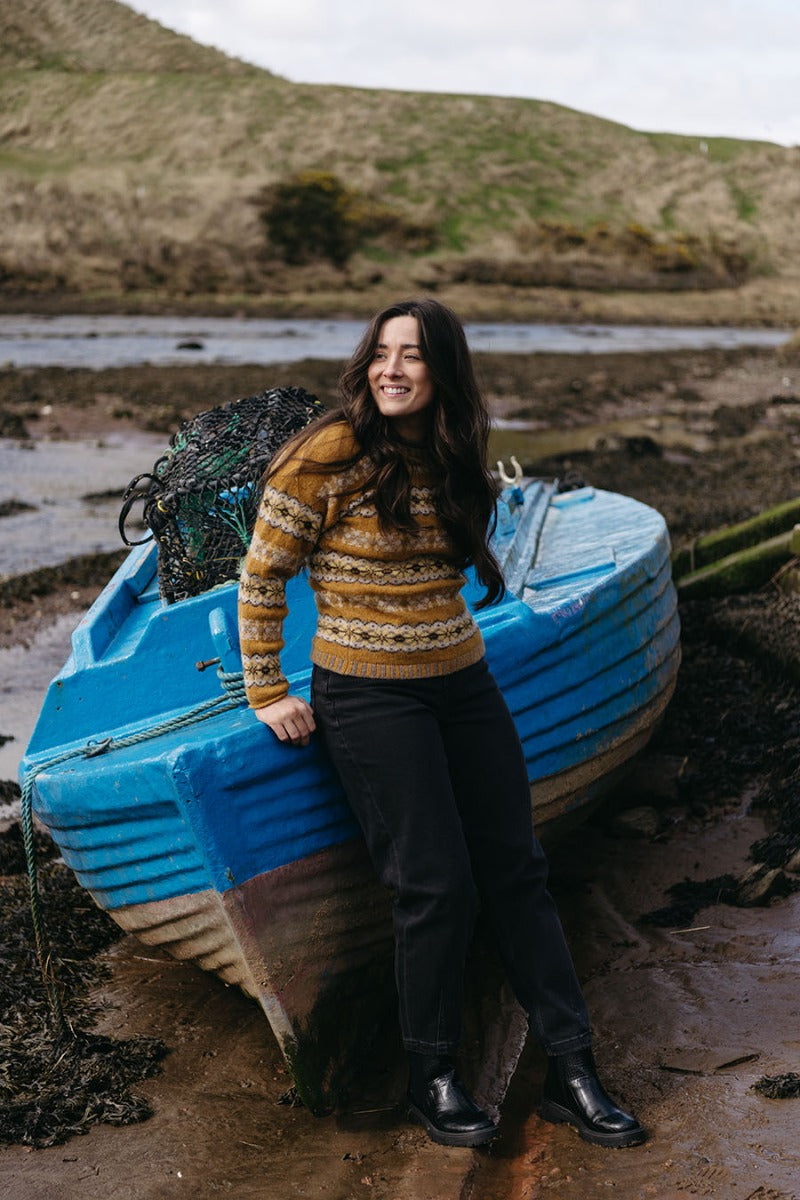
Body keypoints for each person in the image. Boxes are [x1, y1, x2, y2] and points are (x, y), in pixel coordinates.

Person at [238, 298, 645, 1149]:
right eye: (380, 352)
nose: (391, 368)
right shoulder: (328, 451)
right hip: (368, 693)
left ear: (442, 372)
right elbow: (262, 578)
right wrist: (267, 690)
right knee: (434, 886)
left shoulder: (454, 450)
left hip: (462, 680)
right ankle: (433, 1076)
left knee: (517, 870)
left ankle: (573, 1068)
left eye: (412, 355)